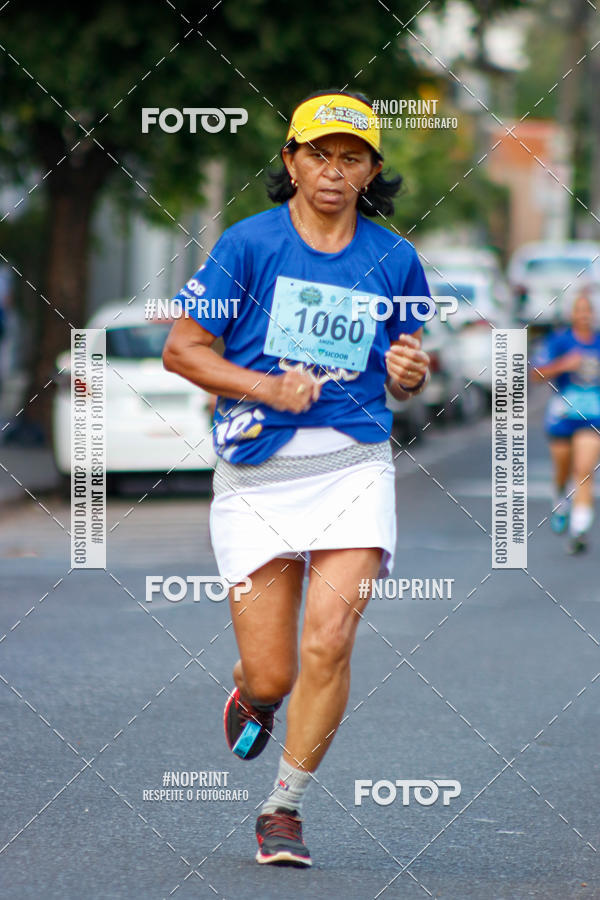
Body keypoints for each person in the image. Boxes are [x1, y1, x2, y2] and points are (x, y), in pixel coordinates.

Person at [163, 89, 431, 867]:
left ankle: (283, 808)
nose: (333, 170)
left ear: (372, 170)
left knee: (331, 641)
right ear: (290, 160)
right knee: (275, 668)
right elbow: (184, 350)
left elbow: (405, 365)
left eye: (352, 157)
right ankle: (255, 692)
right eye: (318, 153)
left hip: (354, 464)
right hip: (257, 472)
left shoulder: (394, 257)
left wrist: (411, 370)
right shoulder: (247, 245)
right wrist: (266, 386)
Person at [534, 293, 600, 553]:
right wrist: (564, 364)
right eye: (578, 310)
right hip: (563, 415)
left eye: (588, 310)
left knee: (584, 469)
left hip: (593, 415)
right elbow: (536, 374)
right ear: (571, 314)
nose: (583, 315)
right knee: (563, 469)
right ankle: (560, 498)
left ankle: (579, 529)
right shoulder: (558, 341)